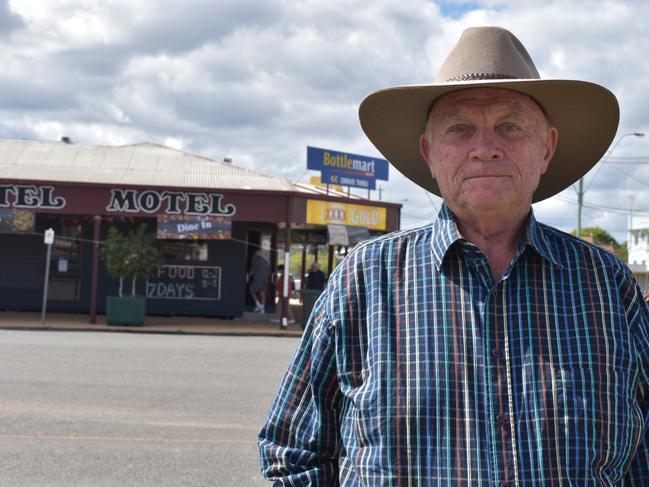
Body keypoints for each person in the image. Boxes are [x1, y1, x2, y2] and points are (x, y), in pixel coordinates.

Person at [258, 26, 649, 485]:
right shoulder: (363, 281)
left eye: (510, 126)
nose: (486, 149)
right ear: (429, 152)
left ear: (547, 147)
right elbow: (293, 453)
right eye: (460, 129)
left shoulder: (607, 286)